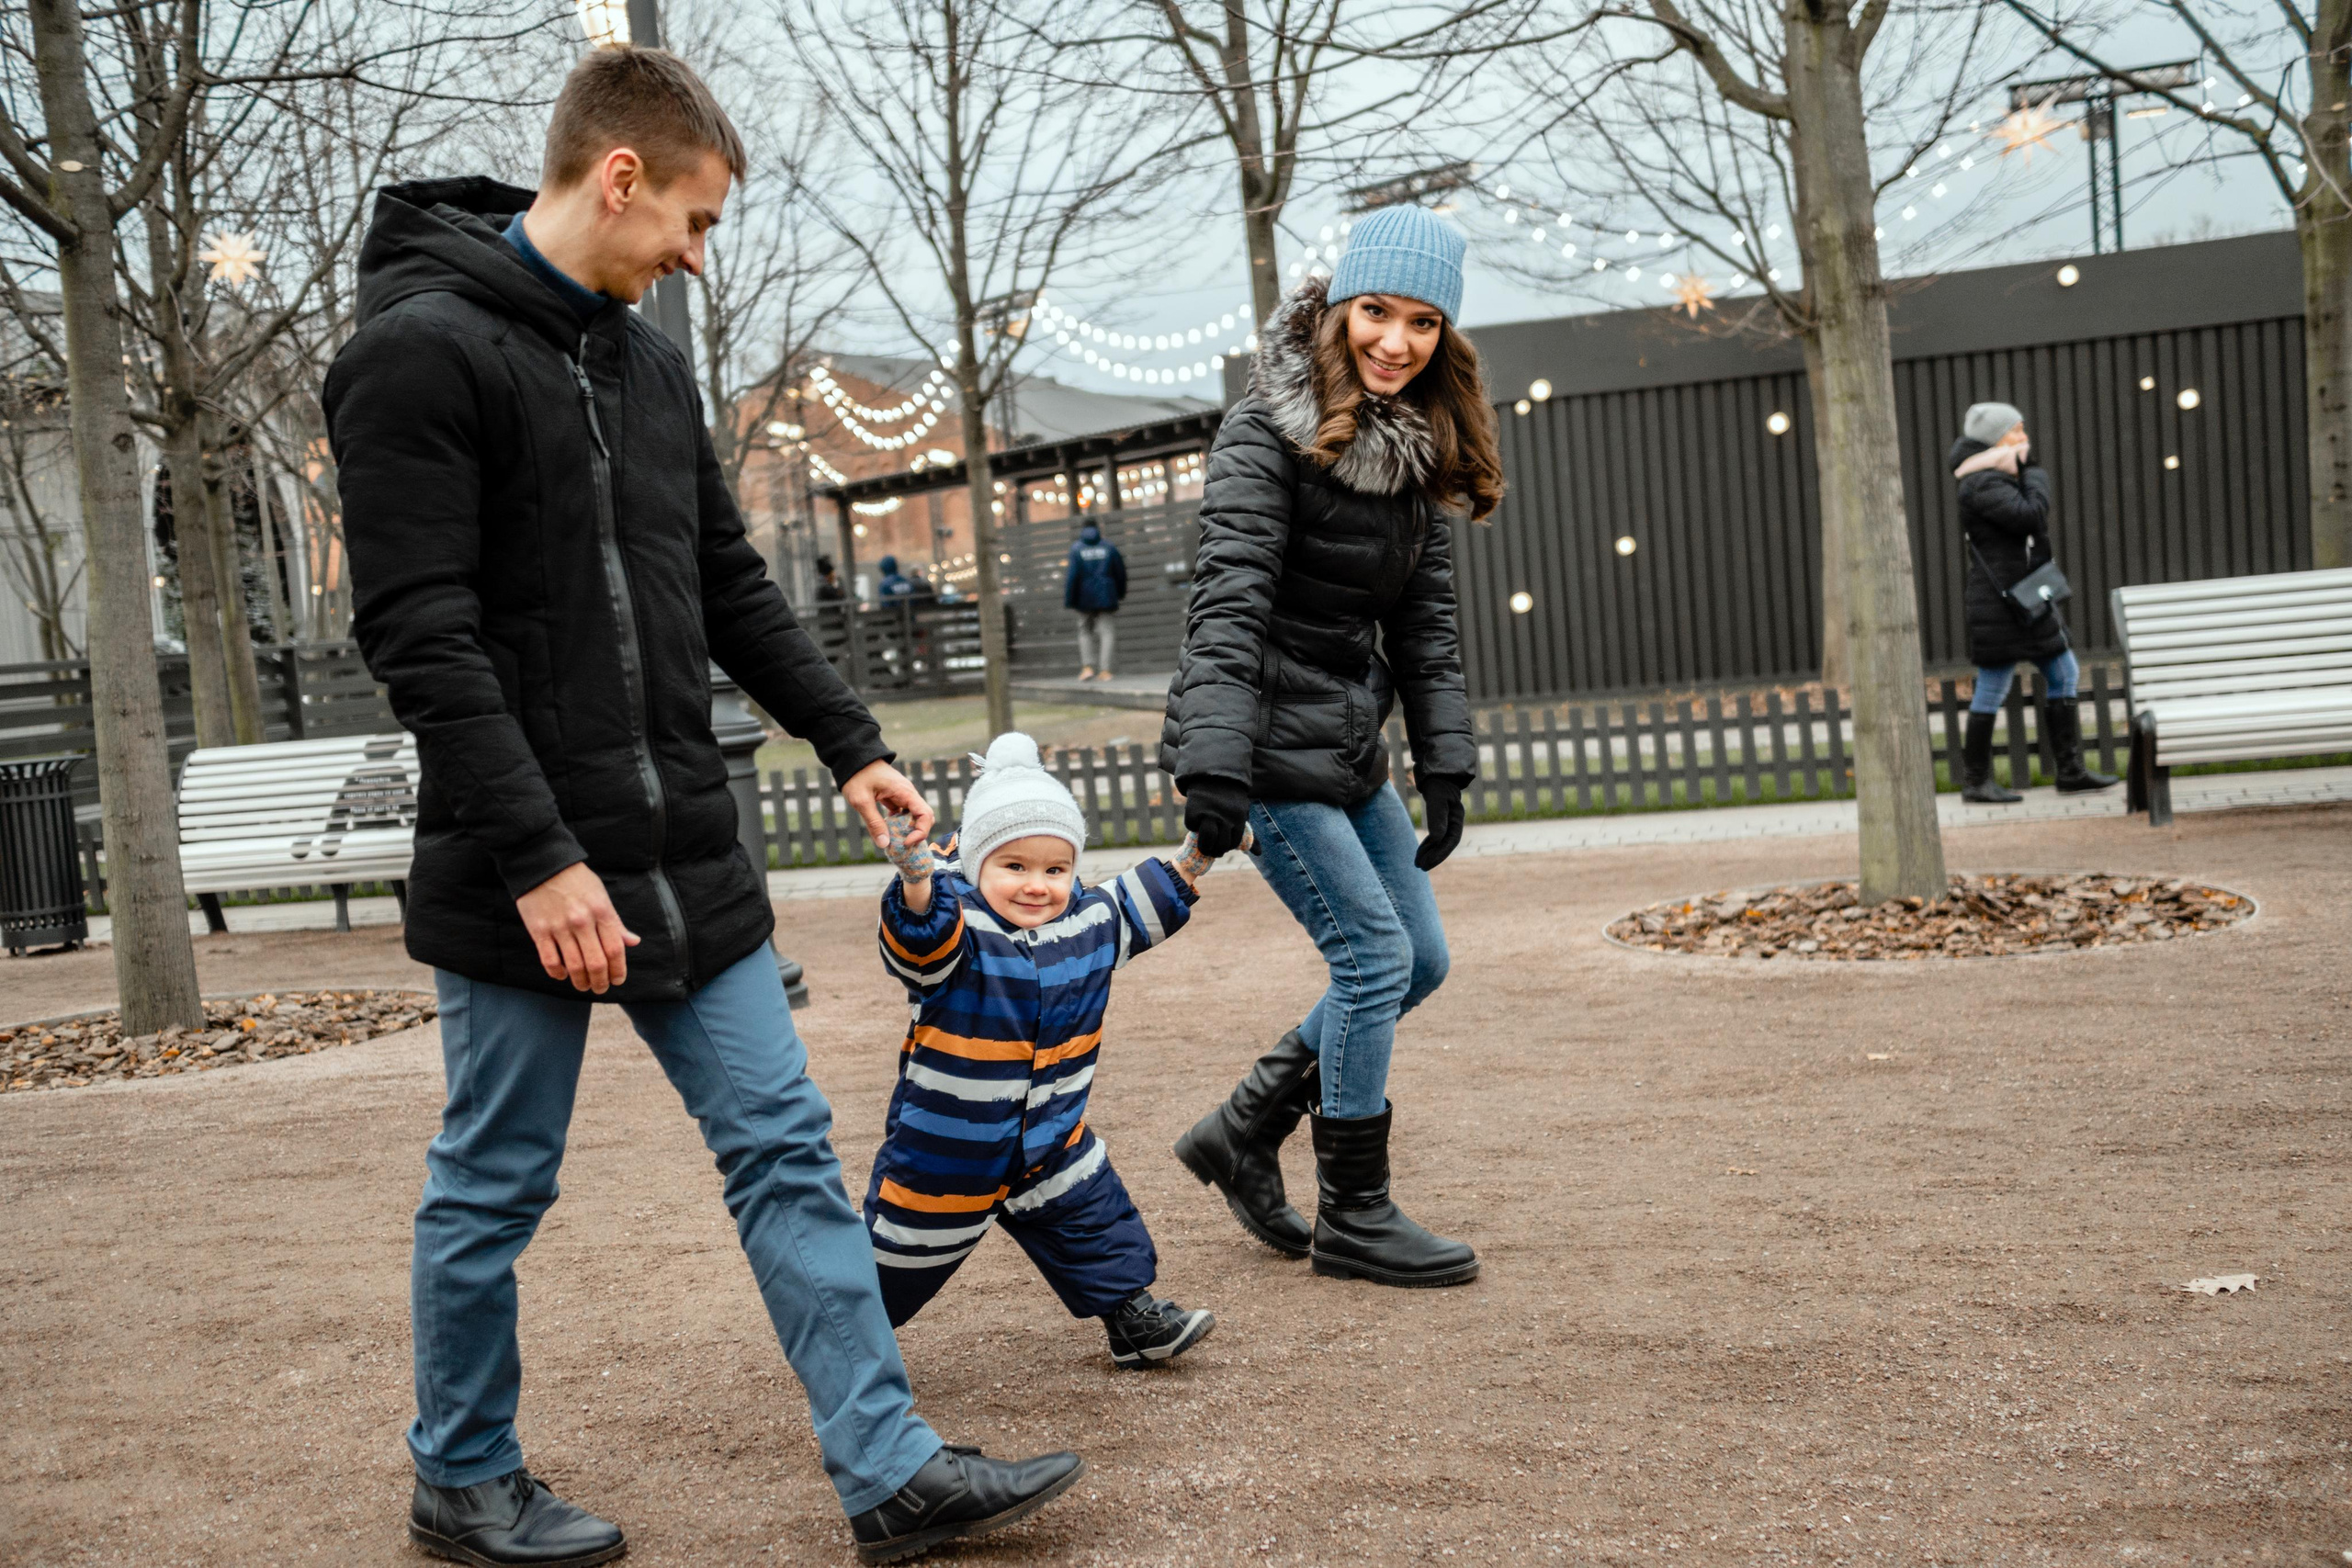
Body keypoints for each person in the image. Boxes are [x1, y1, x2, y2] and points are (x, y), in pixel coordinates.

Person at [325, 45, 1082, 1568]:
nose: (694, 255)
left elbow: (726, 579)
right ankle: (461, 1476)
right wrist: (542, 859)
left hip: (685, 851)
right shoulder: (414, 354)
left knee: (785, 1144)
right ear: (621, 178)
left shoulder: (648, 366)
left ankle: (890, 1468)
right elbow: (420, 634)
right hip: (521, 864)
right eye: (694, 220)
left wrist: (846, 738)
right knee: (495, 1179)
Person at [1159, 204, 1503, 1290]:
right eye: (1376, 313)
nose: (1396, 341)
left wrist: (1443, 761)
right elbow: (1227, 602)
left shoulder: (1413, 443)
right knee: (1373, 960)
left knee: (1422, 960)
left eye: (1422, 322)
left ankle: (1244, 1126)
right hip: (1262, 745)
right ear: (1338, 307)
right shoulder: (1265, 430)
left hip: (1347, 747)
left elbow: (1424, 624)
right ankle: (1355, 1213)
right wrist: (1214, 765)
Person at [864, 732, 1225, 1368]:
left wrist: (1202, 850)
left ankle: (1131, 1319)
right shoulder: (960, 931)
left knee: (1095, 1218)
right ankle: (844, 1334)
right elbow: (919, 940)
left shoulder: (1088, 924)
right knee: (896, 1257)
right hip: (951, 1146)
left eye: (1056, 869)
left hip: (1051, 1136)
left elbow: (1147, 897)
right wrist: (916, 877)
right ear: (978, 866)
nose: (1037, 885)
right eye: (1015, 867)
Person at [1951, 400, 2117, 803]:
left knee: (2064, 671)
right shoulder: (1980, 482)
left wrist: (2024, 473)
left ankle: (2070, 771)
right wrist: (2035, 475)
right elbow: (2030, 515)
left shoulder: (2001, 476)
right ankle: (1976, 781)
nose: (2024, 437)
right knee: (1993, 686)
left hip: (2025, 598)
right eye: (2016, 431)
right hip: (2000, 605)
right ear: (1996, 438)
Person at [1063, 521, 1127, 681]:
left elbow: (1072, 576)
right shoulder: (1109, 547)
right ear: (1098, 529)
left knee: (1085, 631)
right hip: (1107, 595)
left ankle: (1088, 668)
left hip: (1083, 597)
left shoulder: (1077, 549)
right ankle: (1105, 671)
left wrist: (1070, 599)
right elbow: (1120, 573)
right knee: (1107, 632)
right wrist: (1119, 593)